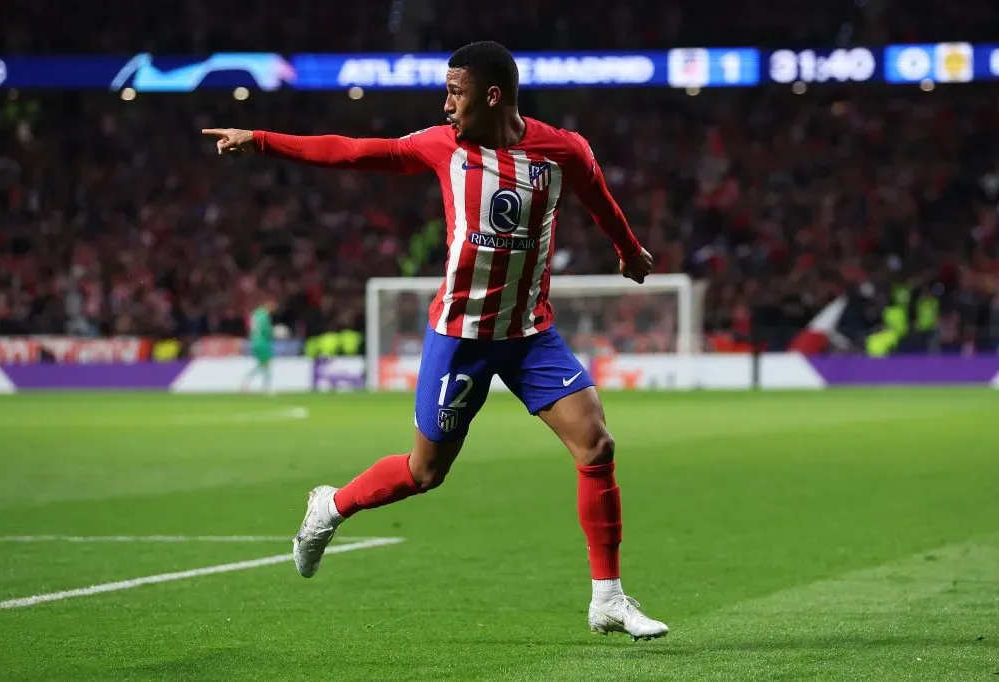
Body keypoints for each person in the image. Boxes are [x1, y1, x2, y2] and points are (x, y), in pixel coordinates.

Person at [202, 41, 667, 641]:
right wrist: (262, 139)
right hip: (461, 337)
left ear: (492, 95)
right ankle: (332, 507)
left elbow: (599, 198)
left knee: (596, 445)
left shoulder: (562, 151)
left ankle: (607, 598)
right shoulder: (440, 146)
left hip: (530, 334)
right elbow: (351, 152)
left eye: (456, 92)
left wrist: (629, 249)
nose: (446, 105)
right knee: (424, 473)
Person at [242, 296, 277, 394]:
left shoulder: (256, 314)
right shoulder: (263, 315)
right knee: (266, 364)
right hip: (262, 342)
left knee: (263, 364)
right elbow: (264, 329)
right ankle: (265, 386)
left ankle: (251, 382)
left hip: (255, 341)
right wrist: (273, 332)